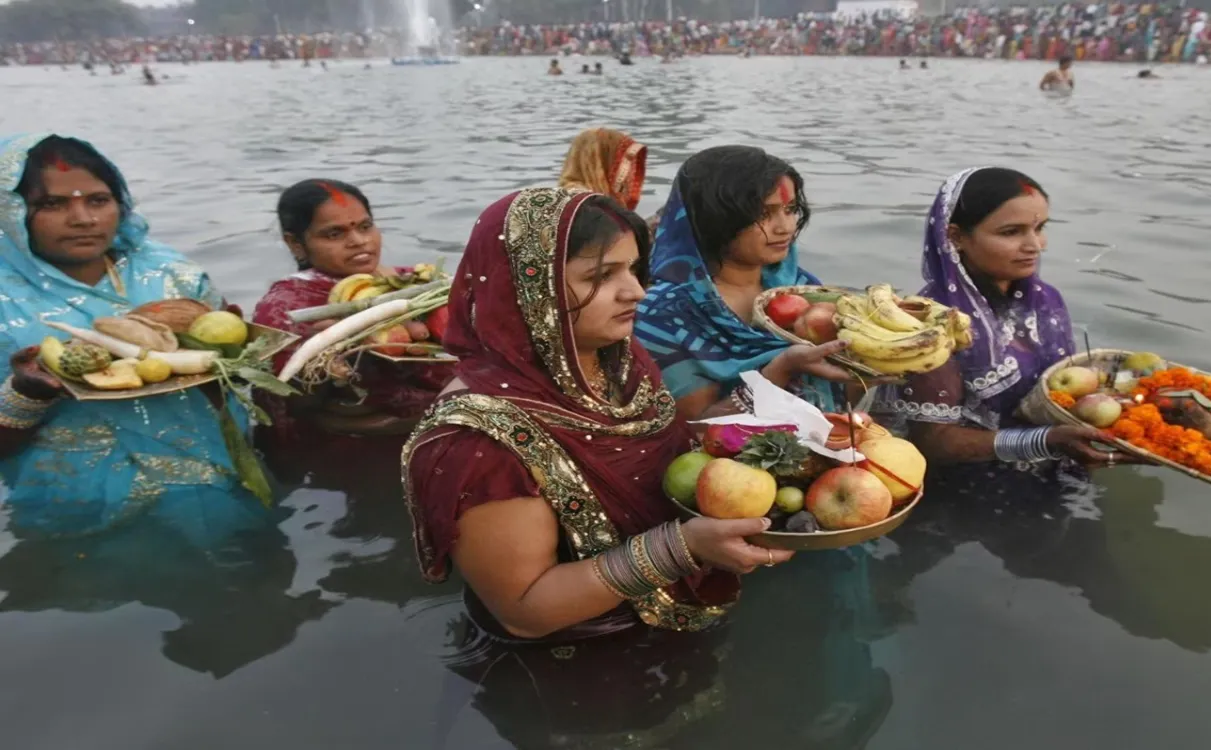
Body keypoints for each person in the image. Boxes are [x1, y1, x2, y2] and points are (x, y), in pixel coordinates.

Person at [404, 187, 796, 645]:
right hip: (577, 662)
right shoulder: (477, 439)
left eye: (632, 269)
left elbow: (661, 454)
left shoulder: (616, 361)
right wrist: (682, 547)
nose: (636, 291)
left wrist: (778, 376)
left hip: (672, 622)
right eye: (602, 275)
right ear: (531, 289)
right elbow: (524, 611)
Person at [0, 134, 269, 539]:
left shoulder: (172, 274)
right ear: (12, 211)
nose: (83, 219)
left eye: (97, 200)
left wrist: (235, 356)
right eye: (53, 204)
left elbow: (239, 381)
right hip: (77, 512)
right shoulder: (5, 300)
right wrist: (26, 394)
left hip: (215, 485)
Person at [873, 167, 1131, 475]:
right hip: (962, 489)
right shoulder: (932, 323)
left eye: (1040, 228)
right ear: (955, 237)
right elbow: (931, 443)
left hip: (1055, 464)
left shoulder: (1046, 300)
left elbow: (1062, 392)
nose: (1035, 245)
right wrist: (1043, 441)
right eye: (1011, 232)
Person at [634, 145, 855, 421]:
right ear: (713, 219)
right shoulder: (663, 314)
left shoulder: (801, 288)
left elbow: (841, 399)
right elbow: (694, 430)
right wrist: (780, 370)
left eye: (791, 209)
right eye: (764, 214)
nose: (785, 227)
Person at [251, 179, 452, 437]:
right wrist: (331, 355)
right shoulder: (285, 308)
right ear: (295, 243)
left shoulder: (417, 283)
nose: (358, 241)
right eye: (334, 234)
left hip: (437, 430)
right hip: (346, 455)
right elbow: (289, 404)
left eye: (366, 227)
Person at [557, 127, 647, 212]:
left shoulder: (561, 196)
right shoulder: (591, 205)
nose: (630, 172)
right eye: (624, 163)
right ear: (606, 162)